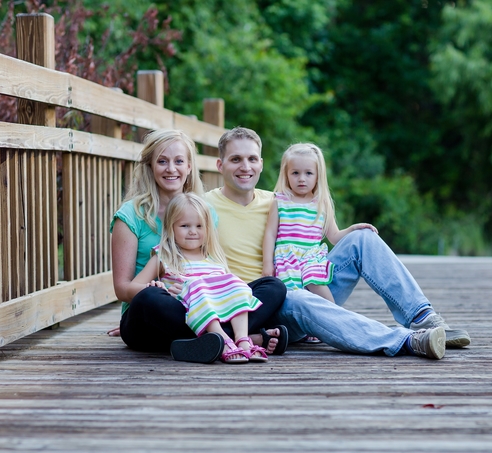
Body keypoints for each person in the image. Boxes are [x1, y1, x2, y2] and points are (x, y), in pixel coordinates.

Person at [204, 126, 472, 360]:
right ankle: (404, 341)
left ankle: (423, 317)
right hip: (266, 304)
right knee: (298, 297)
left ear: (261, 164)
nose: (245, 167)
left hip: (308, 279)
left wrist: (352, 229)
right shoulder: (203, 207)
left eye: (252, 159)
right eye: (235, 159)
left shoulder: (277, 199)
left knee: (363, 238)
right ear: (220, 165)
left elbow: (326, 232)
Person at [110, 128, 287, 364]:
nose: (171, 169)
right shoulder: (130, 215)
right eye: (162, 161)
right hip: (155, 314)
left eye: (179, 161)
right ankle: (245, 339)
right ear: (150, 166)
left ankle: (208, 342)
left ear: (189, 167)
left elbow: (209, 264)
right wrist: (161, 289)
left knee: (273, 287)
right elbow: (122, 289)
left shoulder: (204, 212)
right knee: (149, 298)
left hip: (199, 303)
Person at [131, 193, 269, 364]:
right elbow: (134, 287)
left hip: (218, 313)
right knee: (156, 295)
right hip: (184, 315)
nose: (193, 232)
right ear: (171, 227)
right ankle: (223, 339)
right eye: (184, 226)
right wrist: (159, 288)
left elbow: (230, 295)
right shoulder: (164, 256)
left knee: (262, 285)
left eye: (199, 226)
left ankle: (241, 338)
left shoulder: (215, 259)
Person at [262, 143, 378, 343]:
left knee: (316, 285)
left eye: (308, 173)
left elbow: (333, 236)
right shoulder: (280, 201)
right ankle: (306, 329)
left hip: (311, 258)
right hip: (287, 260)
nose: (301, 178)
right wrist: (267, 266)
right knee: (294, 297)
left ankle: (333, 319)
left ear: (317, 176)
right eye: (295, 173)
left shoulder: (321, 203)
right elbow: (270, 234)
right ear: (286, 174)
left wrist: (352, 229)